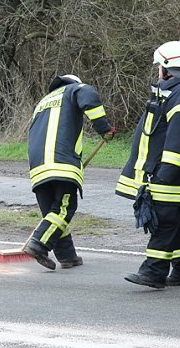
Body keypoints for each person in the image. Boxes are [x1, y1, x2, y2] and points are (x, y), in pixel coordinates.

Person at [23, 74, 115, 270]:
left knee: (53, 213)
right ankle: (38, 244)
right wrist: (104, 128)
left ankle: (67, 256)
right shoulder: (75, 89)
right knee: (64, 209)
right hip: (61, 162)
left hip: (37, 166)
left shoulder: (42, 103)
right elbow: (87, 93)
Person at [118, 41, 180, 289]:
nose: (158, 70)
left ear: (167, 67)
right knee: (178, 222)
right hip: (169, 174)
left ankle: (153, 272)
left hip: (171, 175)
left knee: (165, 220)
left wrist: (165, 173)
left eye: (159, 65)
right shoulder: (176, 91)